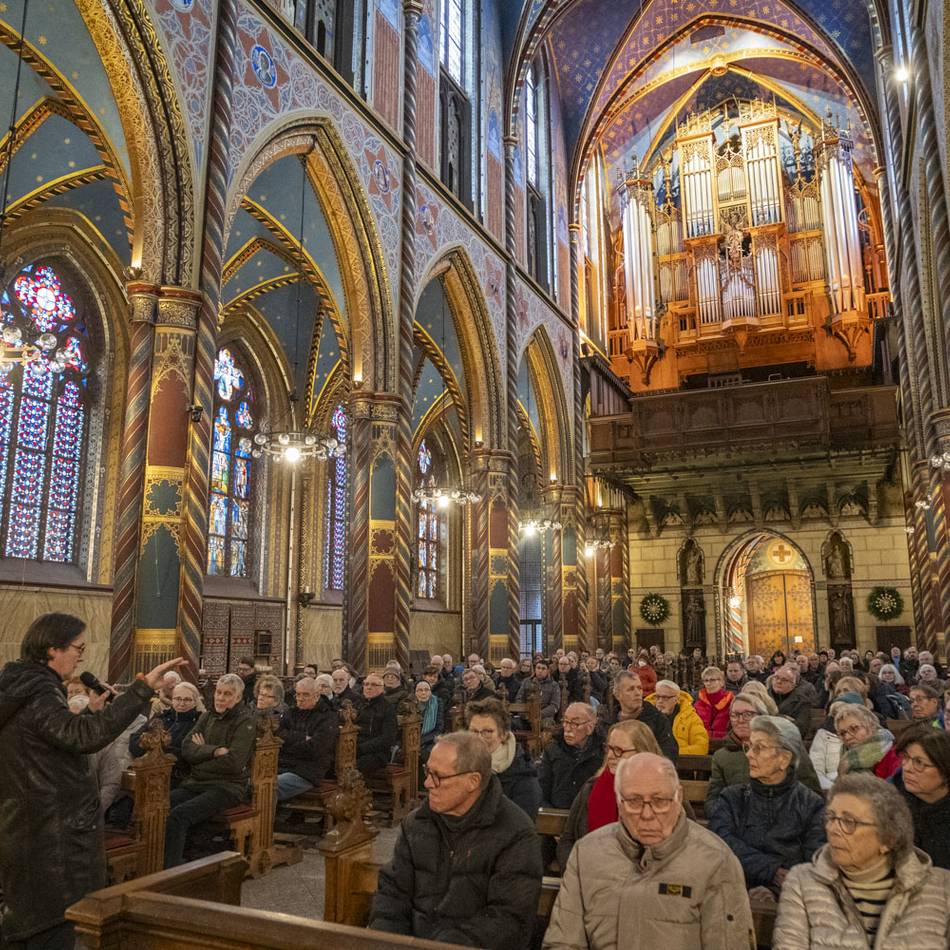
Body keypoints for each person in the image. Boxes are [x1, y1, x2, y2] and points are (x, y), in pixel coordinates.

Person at [0, 613, 184, 949]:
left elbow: (48, 743)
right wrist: (141, 690)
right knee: (53, 926)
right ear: (52, 649)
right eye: (78, 648)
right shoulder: (40, 690)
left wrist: (89, 713)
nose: (81, 657)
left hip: (31, 826)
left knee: (32, 923)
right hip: (53, 835)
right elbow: (84, 738)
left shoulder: (21, 686)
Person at [543, 753, 755, 950]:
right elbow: (563, 942)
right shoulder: (587, 853)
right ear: (619, 802)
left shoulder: (716, 861)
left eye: (660, 801)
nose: (647, 814)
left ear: (678, 797)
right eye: (634, 802)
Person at [369, 732, 542, 948]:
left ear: (473, 781)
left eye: (438, 776)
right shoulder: (416, 824)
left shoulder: (515, 833)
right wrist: (388, 943)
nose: (427, 783)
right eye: (427, 771)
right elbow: (393, 894)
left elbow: (507, 919)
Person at [773, 772, 950, 950]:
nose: (832, 829)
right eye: (831, 817)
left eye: (849, 821)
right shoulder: (802, 883)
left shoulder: (943, 888)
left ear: (888, 838)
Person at [708, 715, 825, 895]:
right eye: (749, 746)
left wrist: (777, 889)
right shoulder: (732, 798)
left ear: (784, 759)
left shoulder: (810, 804)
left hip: (791, 895)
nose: (749, 754)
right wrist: (772, 871)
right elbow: (720, 843)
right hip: (735, 890)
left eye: (759, 748)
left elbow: (814, 861)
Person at [165, 672, 257, 867]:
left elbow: (234, 763)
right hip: (196, 783)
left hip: (227, 787)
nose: (220, 698)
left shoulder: (245, 721)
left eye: (227, 694)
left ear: (238, 697)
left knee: (178, 815)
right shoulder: (207, 716)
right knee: (160, 806)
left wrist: (200, 754)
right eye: (218, 692)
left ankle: (170, 872)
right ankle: (159, 862)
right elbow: (186, 748)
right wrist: (214, 751)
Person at [557, 719, 661, 869]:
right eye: (609, 748)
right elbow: (568, 839)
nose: (611, 755)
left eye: (619, 750)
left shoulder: (665, 794)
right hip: (590, 872)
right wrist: (575, 870)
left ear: (642, 752)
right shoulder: (591, 788)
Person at [706, 693, 821, 805]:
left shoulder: (788, 747)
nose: (740, 720)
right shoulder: (722, 756)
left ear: (762, 717)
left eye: (748, 714)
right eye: (734, 715)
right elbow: (713, 801)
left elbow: (812, 793)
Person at [466, 698, 542, 819]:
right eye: (474, 731)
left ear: (503, 735)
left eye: (487, 732)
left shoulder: (524, 779)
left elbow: (520, 826)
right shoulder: (459, 766)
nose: (479, 739)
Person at [893, 726, 950, 870]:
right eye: (906, 758)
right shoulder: (892, 800)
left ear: (945, 770)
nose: (907, 768)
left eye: (919, 763)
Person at [274, 676, 337, 802]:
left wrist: (287, 745)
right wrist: (302, 737)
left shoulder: (327, 717)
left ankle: (270, 815)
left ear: (317, 696)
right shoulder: (291, 712)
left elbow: (315, 748)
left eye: (305, 695)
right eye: (298, 694)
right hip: (283, 765)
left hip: (307, 771)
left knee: (269, 787)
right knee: (253, 782)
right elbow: (277, 736)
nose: (300, 699)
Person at [129, 680, 203, 784]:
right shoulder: (160, 717)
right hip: (145, 772)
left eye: (187, 699)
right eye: (178, 698)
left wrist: (152, 747)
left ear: (195, 702)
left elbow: (187, 755)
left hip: (176, 778)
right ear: (172, 699)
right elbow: (133, 742)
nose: (182, 703)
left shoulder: (199, 723)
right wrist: (164, 749)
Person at [539, 702, 601, 809]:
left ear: (590, 727)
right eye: (566, 722)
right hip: (556, 812)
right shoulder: (553, 749)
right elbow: (542, 789)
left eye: (575, 723)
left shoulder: (602, 751)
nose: (567, 729)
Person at [809, 692, 866, 790]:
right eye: (836, 714)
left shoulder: (869, 736)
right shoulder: (824, 734)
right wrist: (833, 788)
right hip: (829, 787)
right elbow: (816, 767)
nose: (840, 718)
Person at [835, 703, 901, 780]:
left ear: (871, 726)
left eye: (854, 728)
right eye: (842, 733)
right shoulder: (845, 757)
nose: (847, 737)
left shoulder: (893, 756)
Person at [648, 678, 709, 754]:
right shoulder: (646, 715)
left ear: (676, 699)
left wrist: (673, 753)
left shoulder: (691, 718)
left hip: (682, 760)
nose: (660, 701)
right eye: (657, 697)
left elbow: (701, 747)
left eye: (665, 698)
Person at [768, 665, 815, 736]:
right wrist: (786, 719)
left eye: (784, 680)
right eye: (776, 677)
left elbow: (801, 729)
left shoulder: (803, 701)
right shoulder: (763, 695)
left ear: (793, 685)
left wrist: (774, 718)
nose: (779, 681)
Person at [694, 666, 734, 739]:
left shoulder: (731, 702)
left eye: (712, 680)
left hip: (725, 742)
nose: (708, 683)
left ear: (721, 682)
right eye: (706, 680)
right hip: (701, 741)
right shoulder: (698, 704)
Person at [415, 679, 444, 765]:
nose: (423, 693)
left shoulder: (437, 703)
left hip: (430, 740)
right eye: (420, 690)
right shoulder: (409, 704)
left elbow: (439, 729)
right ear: (415, 693)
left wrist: (421, 741)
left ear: (430, 692)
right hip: (412, 740)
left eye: (426, 690)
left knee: (425, 753)